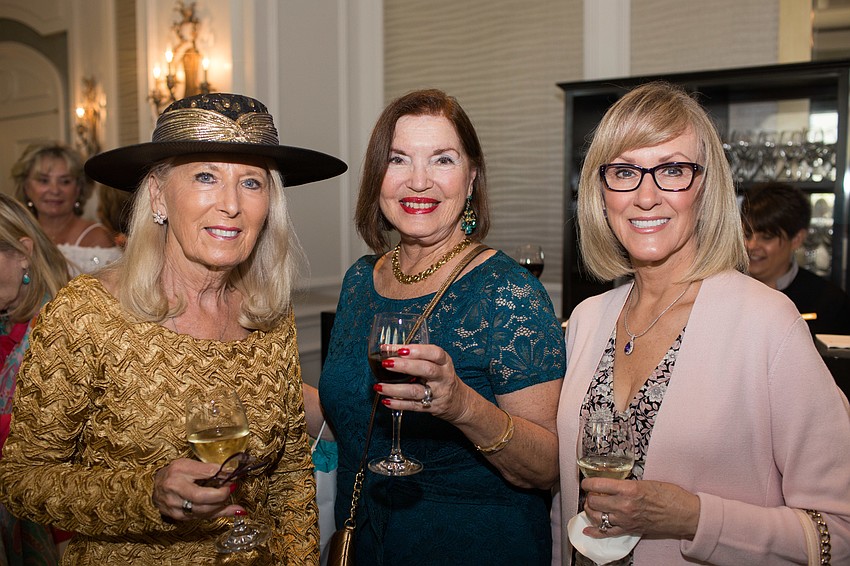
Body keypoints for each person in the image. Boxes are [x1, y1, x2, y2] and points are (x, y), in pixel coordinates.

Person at [0, 93, 347, 564]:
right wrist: (148, 493)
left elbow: (288, 476)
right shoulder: (87, 313)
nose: (231, 205)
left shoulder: (267, 312)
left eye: (251, 182)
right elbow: (22, 479)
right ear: (159, 195)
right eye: (206, 177)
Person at [557, 81, 850, 565]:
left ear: (706, 188)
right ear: (600, 190)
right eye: (624, 171)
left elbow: (838, 531)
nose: (645, 197)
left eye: (672, 170)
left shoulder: (767, 323)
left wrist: (695, 518)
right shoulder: (588, 319)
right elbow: (565, 504)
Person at [317, 89, 565, 565]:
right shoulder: (359, 280)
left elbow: (547, 466)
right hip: (365, 540)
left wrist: (461, 405)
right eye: (398, 160)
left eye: (442, 160)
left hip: (472, 547)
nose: (418, 181)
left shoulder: (508, 292)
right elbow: (347, 411)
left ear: (471, 180)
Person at [0, 193, 69, 564]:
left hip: (59, 526)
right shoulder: (6, 318)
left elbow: (59, 441)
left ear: (23, 252)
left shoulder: (61, 328)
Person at [741, 181, 850, 335]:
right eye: (747, 235)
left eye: (767, 237)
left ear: (797, 239)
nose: (752, 246)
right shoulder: (725, 290)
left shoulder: (829, 301)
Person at [11, 142, 122, 275]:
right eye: (43, 181)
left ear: (79, 188)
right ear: (26, 187)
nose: (55, 190)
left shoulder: (98, 238)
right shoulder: (13, 234)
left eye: (65, 181)